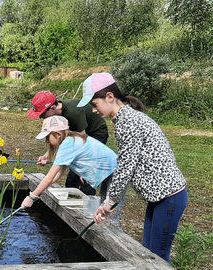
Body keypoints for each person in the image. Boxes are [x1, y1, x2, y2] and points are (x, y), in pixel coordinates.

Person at [78, 72, 188, 263]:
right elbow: (126, 163)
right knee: (148, 251)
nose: (94, 110)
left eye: (94, 104)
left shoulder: (128, 121)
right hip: (159, 197)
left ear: (109, 97)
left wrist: (108, 203)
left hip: (169, 196)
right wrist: (107, 200)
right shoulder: (124, 119)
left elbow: (125, 168)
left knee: (159, 258)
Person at [21, 116, 118, 216]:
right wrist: (42, 189)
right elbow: (58, 173)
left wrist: (32, 197)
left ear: (58, 134)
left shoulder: (67, 145)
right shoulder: (72, 139)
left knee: (111, 209)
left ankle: (112, 228)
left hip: (115, 174)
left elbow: (49, 178)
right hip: (112, 171)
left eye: (47, 137)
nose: (47, 141)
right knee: (105, 206)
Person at [27, 91, 108, 196]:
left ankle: (87, 205)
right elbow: (61, 138)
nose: (40, 117)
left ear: (52, 108)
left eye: (42, 114)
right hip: (79, 135)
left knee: (84, 174)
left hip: (95, 133)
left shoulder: (73, 113)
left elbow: (83, 142)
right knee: (72, 176)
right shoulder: (58, 115)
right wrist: (46, 156)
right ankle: (71, 202)